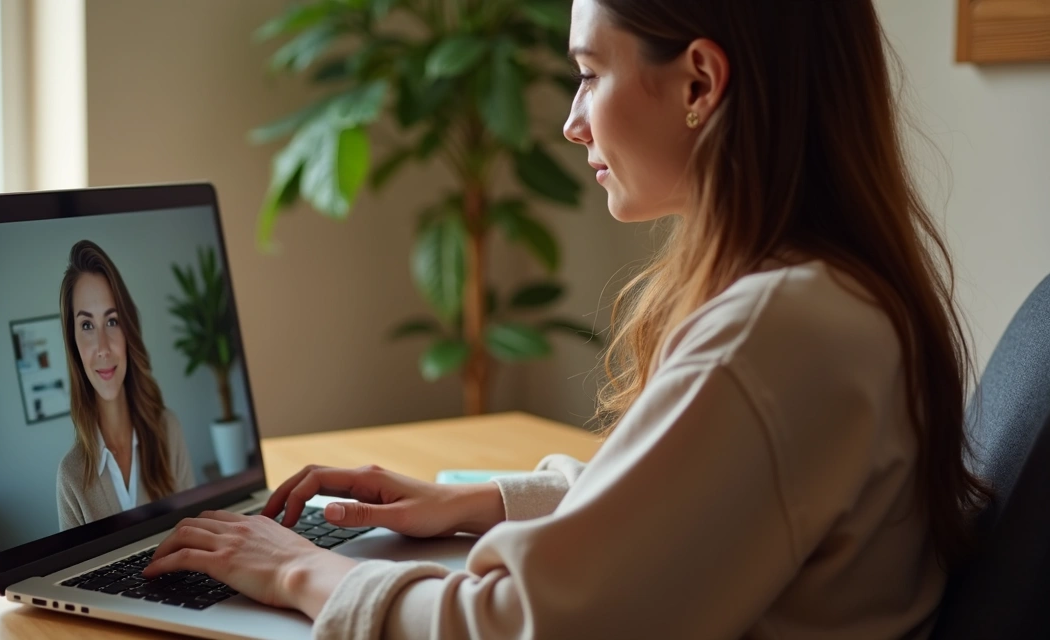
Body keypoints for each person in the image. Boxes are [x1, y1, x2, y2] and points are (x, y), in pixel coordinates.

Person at [141, 0, 991, 637]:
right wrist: (473, 502)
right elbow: (692, 519)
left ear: (699, 81)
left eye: (589, 73)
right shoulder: (830, 297)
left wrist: (298, 572)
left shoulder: (775, 334)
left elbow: (523, 627)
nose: (570, 120)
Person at [56, 239, 196, 530]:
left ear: (128, 329)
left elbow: (195, 532)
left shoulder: (169, 431)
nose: (103, 348)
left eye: (112, 321)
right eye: (86, 326)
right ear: (73, 344)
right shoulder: (71, 476)